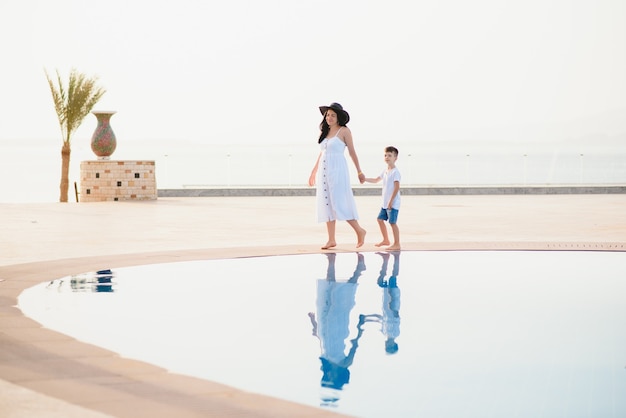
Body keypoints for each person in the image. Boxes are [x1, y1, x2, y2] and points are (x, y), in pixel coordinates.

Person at [308, 252, 367, 406]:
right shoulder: (343, 364)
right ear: (337, 379)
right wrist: (361, 327)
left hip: (324, 325)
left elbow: (321, 340)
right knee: (340, 297)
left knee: (326, 292)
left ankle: (331, 262)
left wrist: (313, 323)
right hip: (338, 328)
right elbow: (355, 346)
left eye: (326, 379)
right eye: (329, 380)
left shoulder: (325, 364)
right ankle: (359, 270)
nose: (328, 377)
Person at [308, 102, 367, 250]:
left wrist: (359, 171)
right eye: (327, 115)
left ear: (338, 117)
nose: (329, 117)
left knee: (339, 203)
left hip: (338, 170)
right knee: (326, 203)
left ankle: (359, 230)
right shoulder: (324, 131)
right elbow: (322, 152)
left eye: (332, 115)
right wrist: (314, 170)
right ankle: (331, 239)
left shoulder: (344, 131)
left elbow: (352, 152)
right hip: (324, 170)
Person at [363, 146, 401, 250]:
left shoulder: (395, 172)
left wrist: (391, 201)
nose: (387, 157)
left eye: (390, 155)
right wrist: (364, 179)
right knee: (380, 219)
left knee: (392, 223)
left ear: (395, 158)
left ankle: (397, 243)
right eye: (385, 155)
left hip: (392, 203)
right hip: (385, 203)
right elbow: (376, 180)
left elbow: (397, 187)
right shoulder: (385, 171)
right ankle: (386, 239)